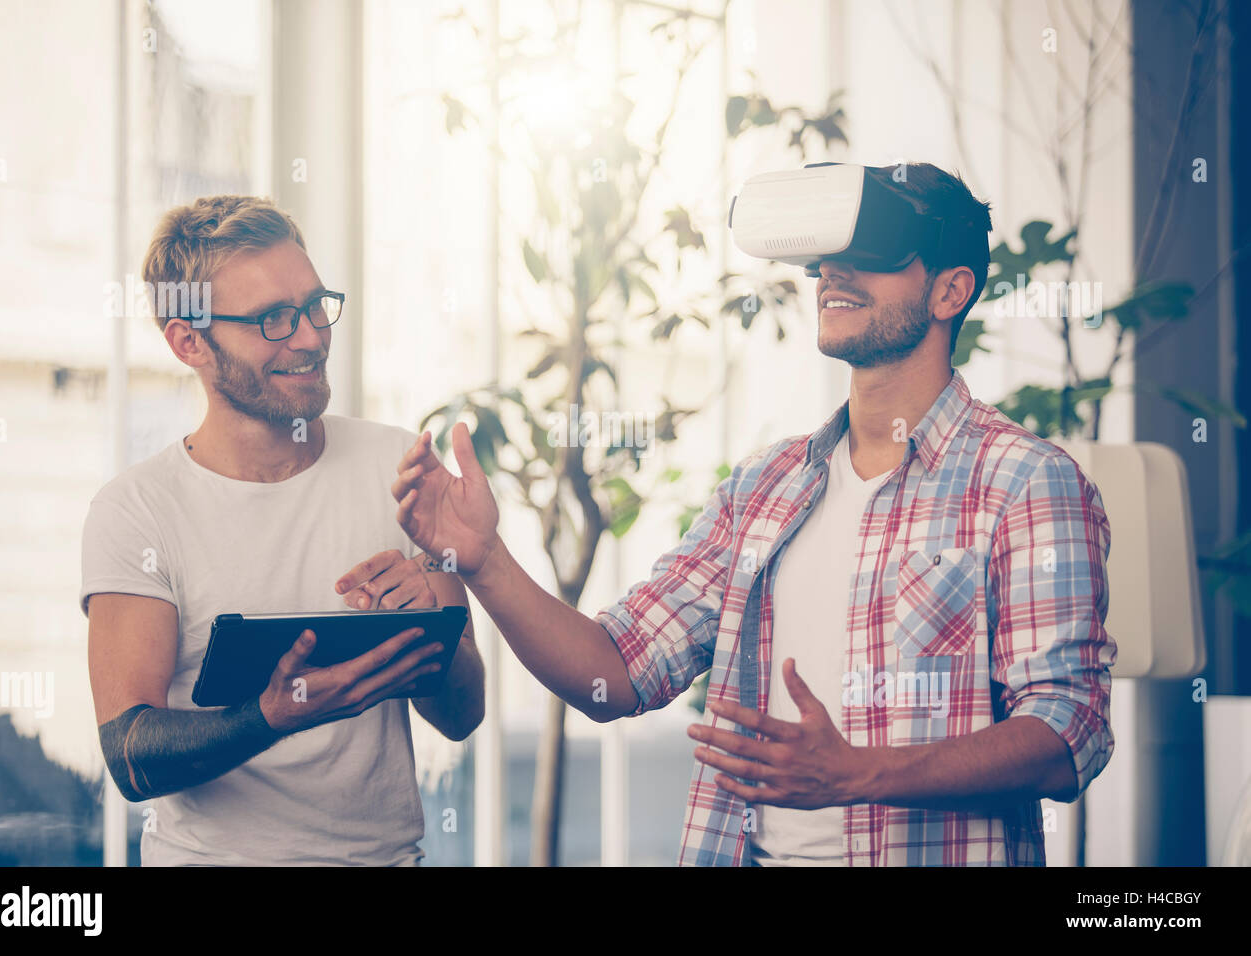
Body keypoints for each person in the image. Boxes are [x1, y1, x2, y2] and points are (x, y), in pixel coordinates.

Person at [389, 163, 1115, 866]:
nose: (834, 273)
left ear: (950, 290)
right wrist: (484, 561)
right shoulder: (764, 488)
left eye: (871, 254)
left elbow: (1067, 731)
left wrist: (859, 772)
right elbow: (615, 674)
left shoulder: (1027, 484)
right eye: (829, 257)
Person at [82, 196, 484, 866]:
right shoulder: (136, 511)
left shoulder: (399, 468)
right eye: (273, 318)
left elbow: (462, 714)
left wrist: (430, 625)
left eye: (314, 304)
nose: (310, 337)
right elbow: (131, 756)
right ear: (189, 342)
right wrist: (269, 716)